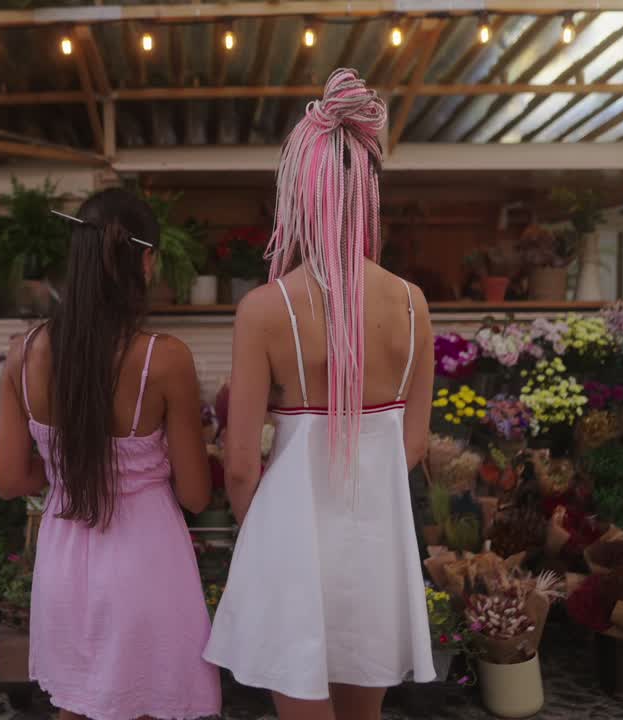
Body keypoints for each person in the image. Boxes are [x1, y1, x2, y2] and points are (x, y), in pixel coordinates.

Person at [204, 68, 437, 719]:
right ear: (368, 191)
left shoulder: (263, 309)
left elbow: (242, 463)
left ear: (299, 193)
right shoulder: (414, 305)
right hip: (376, 542)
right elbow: (412, 445)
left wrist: (270, 536)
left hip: (291, 536)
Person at [0, 188, 222, 720]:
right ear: (146, 259)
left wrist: (63, 472)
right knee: (148, 703)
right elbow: (194, 494)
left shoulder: (24, 353)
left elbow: (9, 480)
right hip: (146, 556)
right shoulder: (163, 360)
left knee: (75, 704)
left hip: (65, 556)